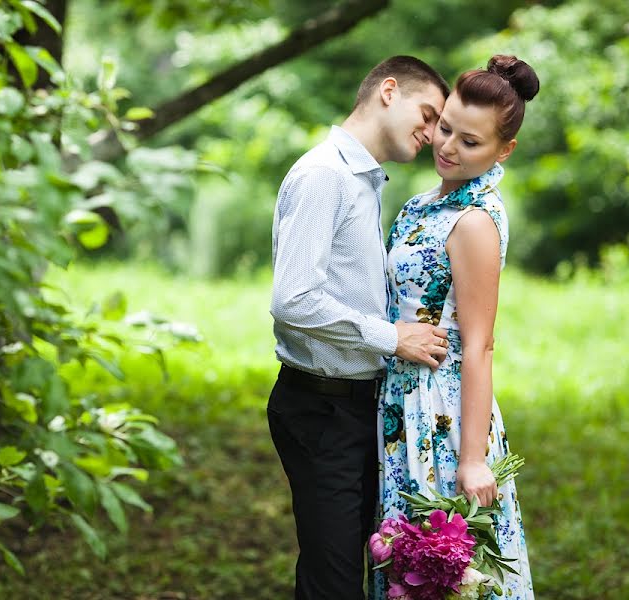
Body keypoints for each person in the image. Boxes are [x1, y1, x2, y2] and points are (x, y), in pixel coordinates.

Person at [268, 56, 452, 600]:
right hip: (320, 407)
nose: (433, 132)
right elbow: (293, 299)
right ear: (388, 92)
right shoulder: (325, 175)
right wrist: (391, 337)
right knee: (334, 583)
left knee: (356, 574)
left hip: (354, 404)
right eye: (428, 114)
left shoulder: (364, 180)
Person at [373, 55, 539, 599]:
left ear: (503, 150)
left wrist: (472, 459)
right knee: (403, 566)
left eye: (470, 142)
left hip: (439, 414)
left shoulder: (474, 221)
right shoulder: (423, 204)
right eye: (445, 128)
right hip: (398, 401)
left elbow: (480, 344)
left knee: (443, 570)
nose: (447, 147)